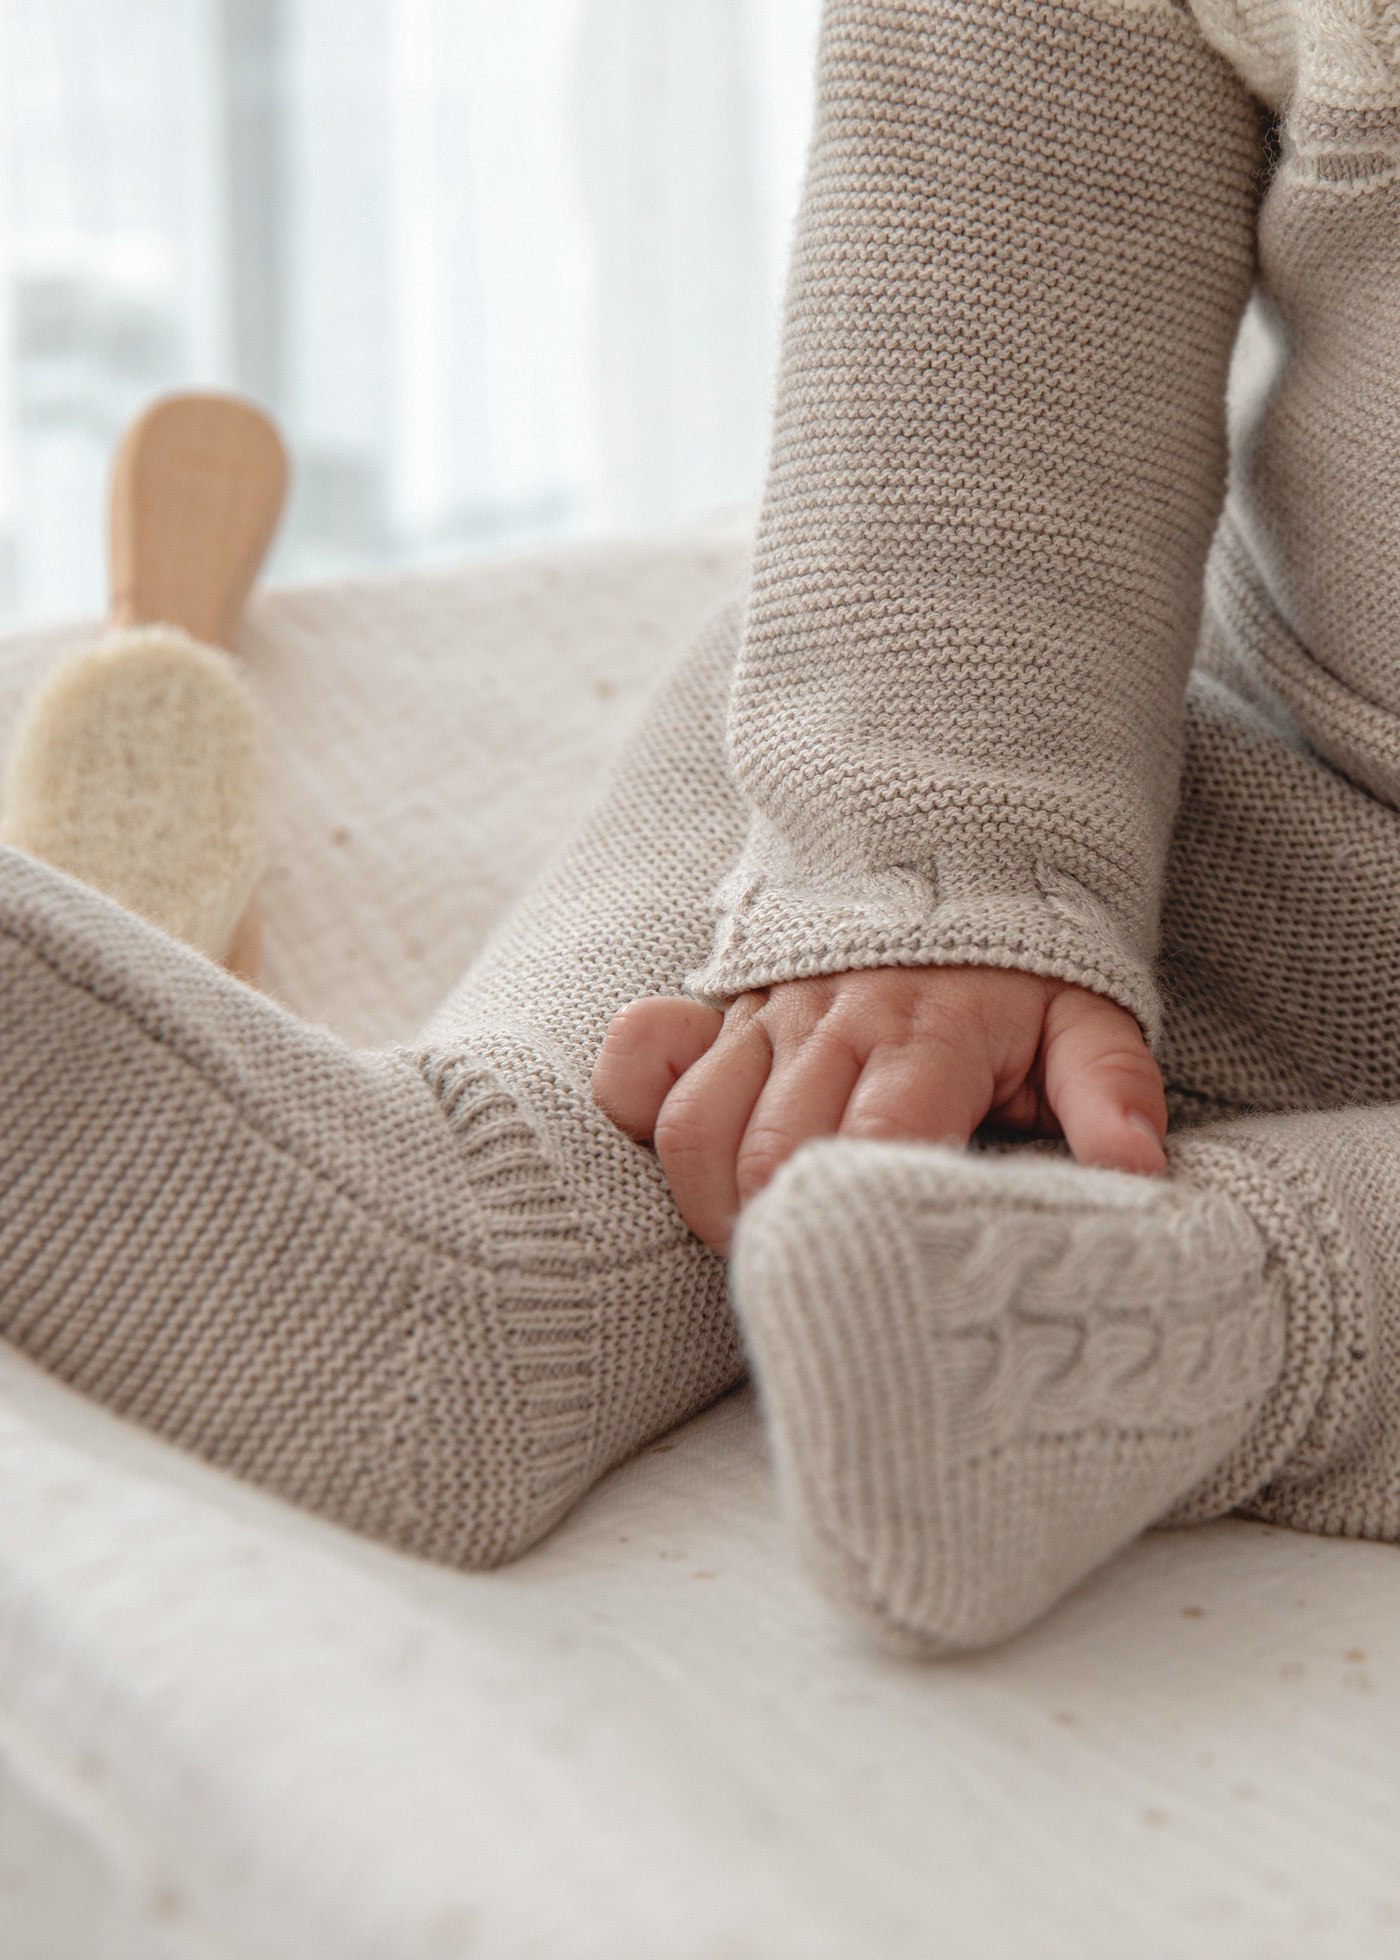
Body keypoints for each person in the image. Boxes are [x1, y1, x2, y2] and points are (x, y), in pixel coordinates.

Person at [2, 0, 1397, 1656]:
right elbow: (1018, 133)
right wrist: (934, 865)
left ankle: (1185, 1327)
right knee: (858, 671)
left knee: (1274, 1262)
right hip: (1242, 784)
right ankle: (510, 1238)